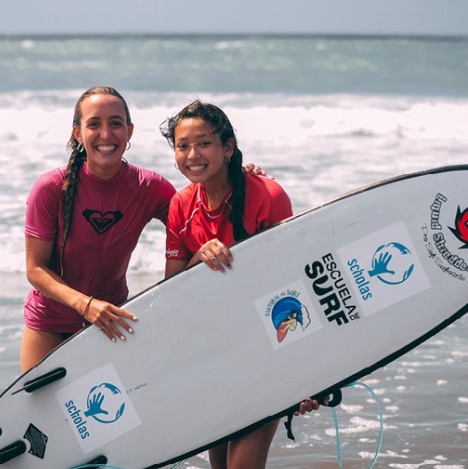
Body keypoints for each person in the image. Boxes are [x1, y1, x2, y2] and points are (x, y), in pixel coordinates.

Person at [160, 100, 320, 469]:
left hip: (267, 349)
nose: (192, 154)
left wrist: (308, 374)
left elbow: (295, 290)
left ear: (227, 147)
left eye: (203, 143)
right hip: (216, 349)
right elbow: (172, 290)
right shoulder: (181, 205)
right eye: (182, 146)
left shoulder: (267, 196)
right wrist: (200, 258)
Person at [20, 85, 177, 372]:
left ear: (129, 131)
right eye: (94, 124)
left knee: (115, 416)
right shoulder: (51, 188)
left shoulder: (149, 188)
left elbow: (199, 220)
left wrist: (243, 179)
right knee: (43, 416)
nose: (106, 134)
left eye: (115, 124)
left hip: (109, 326)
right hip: (49, 325)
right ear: (78, 133)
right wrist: (86, 305)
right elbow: (35, 268)